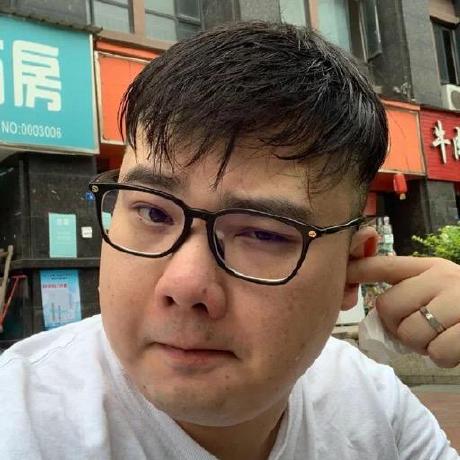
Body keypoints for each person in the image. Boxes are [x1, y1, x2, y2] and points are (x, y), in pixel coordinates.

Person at [0, 21, 459, 460]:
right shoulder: (20, 423)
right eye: (153, 213)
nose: (184, 285)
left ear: (350, 269)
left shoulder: (377, 412)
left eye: (262, 233)